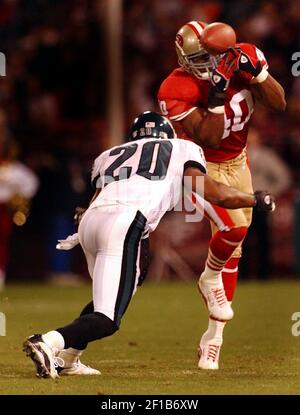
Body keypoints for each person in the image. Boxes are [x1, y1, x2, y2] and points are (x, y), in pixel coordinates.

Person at [22, 111, 274, 379]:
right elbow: (213, 192)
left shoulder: (111, 153)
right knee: (107, 319)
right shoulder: (181, 147)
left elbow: (95, 199)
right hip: (124, 222)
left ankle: (70, 358)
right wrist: (253, 199)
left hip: (91, 223)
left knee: (115, 292)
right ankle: (48, 341)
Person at [157, 20, 286, 369]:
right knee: (235, 229)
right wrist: (216, 93)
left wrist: (258, 75)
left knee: (235, 250)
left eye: (210, 57)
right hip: (198, 166)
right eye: (198, 58)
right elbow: (210, 138)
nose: (206, 64)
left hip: (238, 161)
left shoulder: (243, 55)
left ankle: (213, 339)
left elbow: (279, 102)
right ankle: (208, 277)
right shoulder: (176, 87)